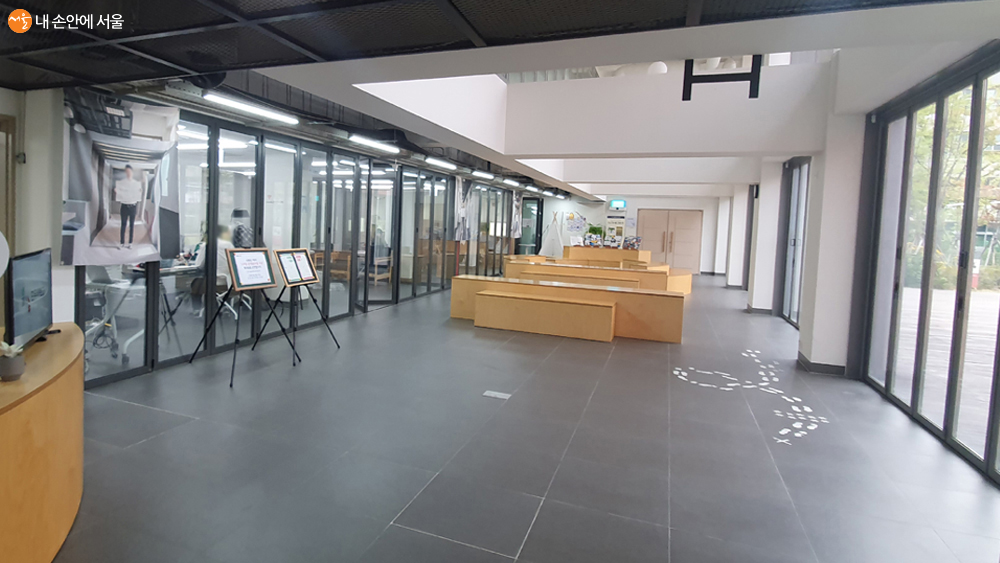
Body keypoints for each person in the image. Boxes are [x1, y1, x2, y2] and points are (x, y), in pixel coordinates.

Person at [115, 165, 143, 248]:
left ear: (132, 172)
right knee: (123, 225)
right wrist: (117, 191)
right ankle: (122, 242)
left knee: (132, 225)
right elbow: (120, 192)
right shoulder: (122, 183)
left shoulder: (136, 184)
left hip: (133, 206)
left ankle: (130, 243)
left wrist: (140, 192)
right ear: (125, 172)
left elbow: (138, 194)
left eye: (129, 171)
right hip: (124, 206)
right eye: (126, 171)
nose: (128, 173)